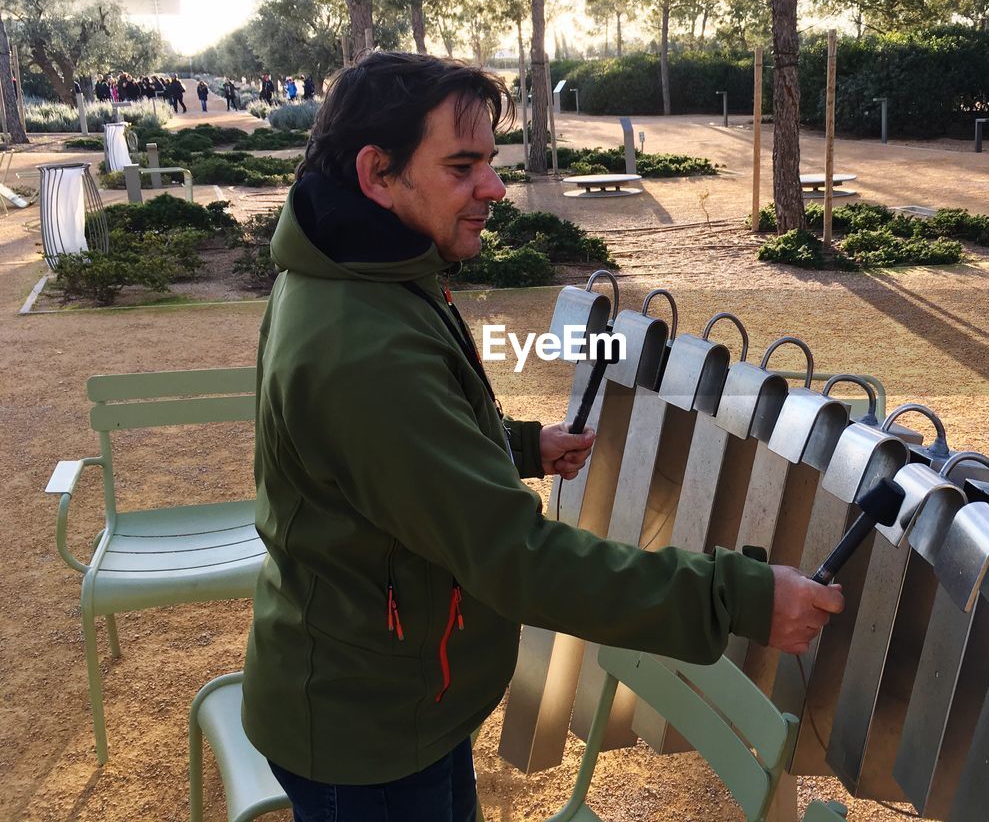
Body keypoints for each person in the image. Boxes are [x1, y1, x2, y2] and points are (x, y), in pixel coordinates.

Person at [241, 52, 842, 821]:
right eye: (462, 167)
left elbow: (390, 458)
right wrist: (740, 597)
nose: (493, 187)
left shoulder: (358, 269)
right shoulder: (362, 345)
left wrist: (519, 447)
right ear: (377, 173)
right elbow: (518, 562)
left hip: (393, 692)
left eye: (491, 163)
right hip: (368, 730)